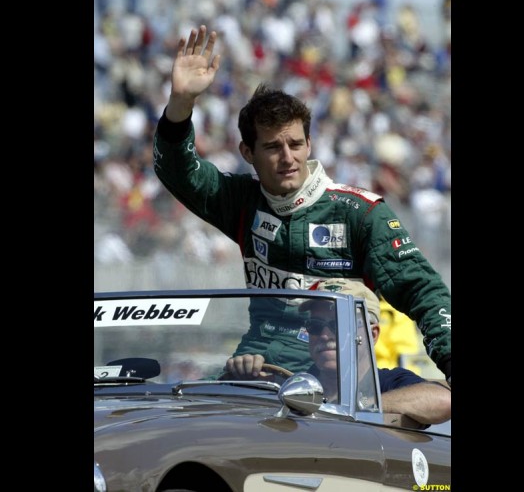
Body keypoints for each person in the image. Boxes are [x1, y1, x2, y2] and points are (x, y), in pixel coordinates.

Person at [153, 25, 451, 384]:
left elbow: (424, 290)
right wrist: (181, 104)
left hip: (333, 384)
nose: (287, 158)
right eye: (273, 147)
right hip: (252, 373)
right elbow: (178, 171)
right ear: (247, 152)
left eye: (295, 144)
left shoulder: (359, 213)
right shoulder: (243, 201)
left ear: (309, 144)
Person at [226, 279, 451, 427]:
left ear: (372, 335)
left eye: (338, 325)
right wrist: (241, 378)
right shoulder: (292, 383)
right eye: (314, 325)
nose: (324, 335)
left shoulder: (390, 381)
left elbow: (444, 400)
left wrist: (360, 406)